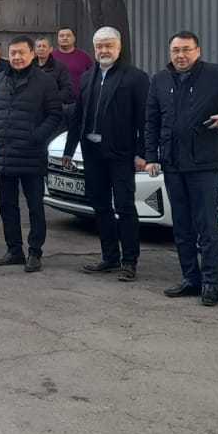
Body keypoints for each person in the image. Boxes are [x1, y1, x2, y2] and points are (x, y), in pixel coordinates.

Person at [144, 31, 218, 307]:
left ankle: (211, 283)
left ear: (198, 51)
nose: (181, 55)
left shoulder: (214, 74)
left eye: (186, 50)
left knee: (205, 225)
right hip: (172, 163)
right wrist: (151, 156)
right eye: (176, 50)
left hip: (203, 163)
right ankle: (190, 279)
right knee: (181, 226)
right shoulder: (160, 80)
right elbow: (151, 121)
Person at [62, 26, 150, 282]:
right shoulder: (87, 77)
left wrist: (143, 153)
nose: (104, 50)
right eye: (99, 46)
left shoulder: (136, 78)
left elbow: (145, 120)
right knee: (99, 205)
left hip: (121, 153)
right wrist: (69, 150)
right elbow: (78, 116)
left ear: (119, 47)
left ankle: (129, 261)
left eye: (109, 45)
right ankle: (109, 257)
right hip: (92, 153)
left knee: (124, 206)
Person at [0, 36, 64, 274]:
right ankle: (14, 250)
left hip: (31, 154)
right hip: (4, 153)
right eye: (13, 53)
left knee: (35, 207)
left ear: (32, 54)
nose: (17, 57)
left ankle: (35, 252)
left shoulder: (45, 81)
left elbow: (55, 114)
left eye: (22, 53)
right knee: (7, 206)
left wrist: (37, 136)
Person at [51, 28, 95, 98]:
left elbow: (93, 77)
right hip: (55, 100)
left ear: (74, 38)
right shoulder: (51, 57)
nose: (65, 38)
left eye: (68, 35)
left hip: (79, 100)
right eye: (61, 36)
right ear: (57, 39)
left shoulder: (84, 57)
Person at [33, 36, 75, 107]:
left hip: (52, 106)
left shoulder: (60, 67)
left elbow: (67, 89)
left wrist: (53, 100)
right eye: (38, 46)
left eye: (44, 46)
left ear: (50, 49)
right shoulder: (30, 66)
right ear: (35, 50)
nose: (41, 49)